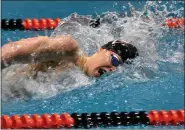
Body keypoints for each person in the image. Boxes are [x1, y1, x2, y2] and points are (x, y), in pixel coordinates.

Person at [1, 35, 138, 77]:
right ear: (101, 50)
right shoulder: (68, 50)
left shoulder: (80, 80)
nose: (112, 68)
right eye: (114, 60)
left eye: (117, 67)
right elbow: (11, 51)